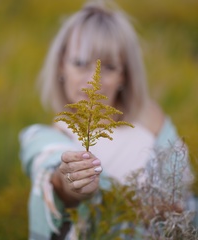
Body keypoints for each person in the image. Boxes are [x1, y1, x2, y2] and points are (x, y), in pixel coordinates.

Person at [19, 1, 196, 239]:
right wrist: (73, 184)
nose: (94, 79)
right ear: (62, 64)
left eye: (109, 67)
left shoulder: (150, 117)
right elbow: (55, 177)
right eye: (80, 63)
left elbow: (182, 187)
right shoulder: (51, 138)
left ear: (124, 75)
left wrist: (172, 207)